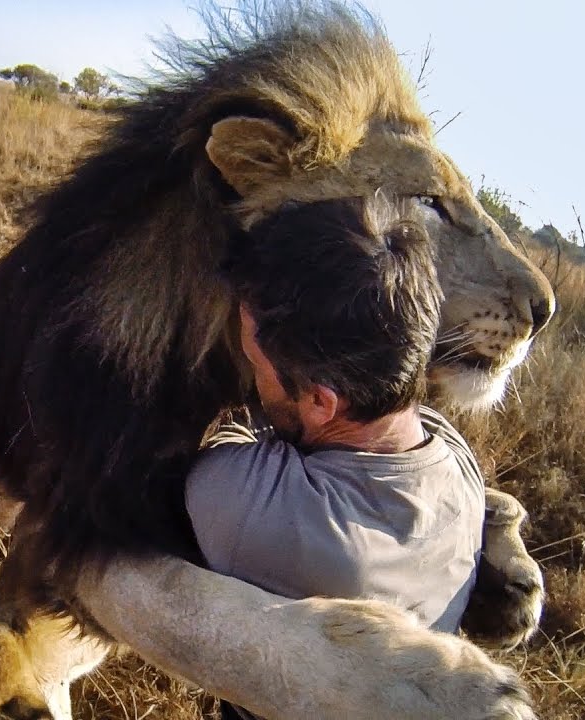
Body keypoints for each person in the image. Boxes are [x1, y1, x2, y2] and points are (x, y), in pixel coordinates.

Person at [188, 196, 487, 720]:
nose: (252, 382)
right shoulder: (461, 471)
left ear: (322, 402)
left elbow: (215, 445)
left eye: (255, 365)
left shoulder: (265, 515)